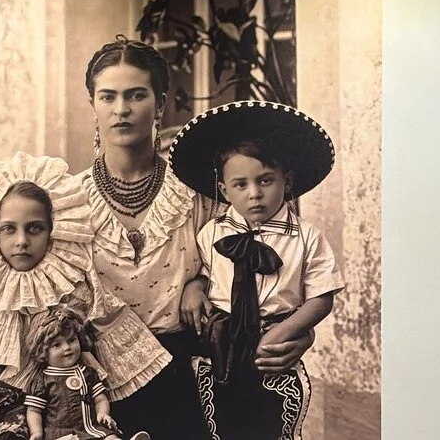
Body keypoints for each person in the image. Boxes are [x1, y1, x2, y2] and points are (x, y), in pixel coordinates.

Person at [76, 34, 317, 440]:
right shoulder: (68, 203)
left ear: (160, 104)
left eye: (136, 95)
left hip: (191, 380)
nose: (121, 109)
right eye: (108, 97)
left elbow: (271, 268)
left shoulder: (201, 194)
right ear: (93, 104)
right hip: (97, 383)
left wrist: (299, 331)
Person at [0, 152, 170, 440]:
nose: (22, 241)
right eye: (9, 229)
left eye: (34, 229)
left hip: (53, 408)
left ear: (52, 231)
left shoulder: (70, 284)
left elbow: (95, 351)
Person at [169, 100, 346, 439]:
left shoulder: (307, 237)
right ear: (224, 190)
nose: (254, 194)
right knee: (222, 423)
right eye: (241, 185)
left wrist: (287, 331)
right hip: (220, 343)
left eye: (265, 181)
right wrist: (195, 286)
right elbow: (203, 272)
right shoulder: (211, 232)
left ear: (286, 181)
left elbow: (322, 297)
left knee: (273, 423)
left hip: (273, 340)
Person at [23, 306, 150, 440]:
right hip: (61, 434)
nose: (67, 348)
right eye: (57, 345)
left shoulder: (88, 373)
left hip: (90, 428)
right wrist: (36, 433)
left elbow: (100, 399)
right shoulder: (42, 380)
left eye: (71, 340)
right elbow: (34, 410)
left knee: (110, 437)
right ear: (43, 352)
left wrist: (102, 414)